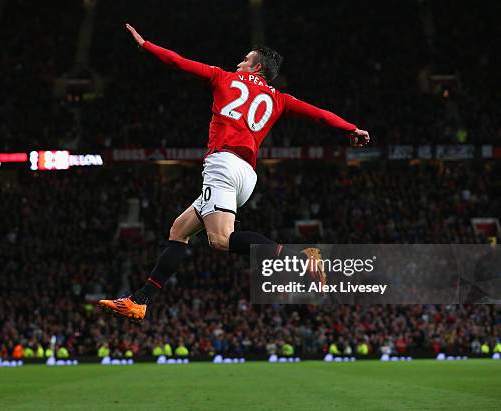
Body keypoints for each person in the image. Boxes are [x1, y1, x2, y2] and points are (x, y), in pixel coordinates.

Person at [98, 24, 370, 321]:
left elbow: (178, 61)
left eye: (245, 59)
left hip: (223, 165)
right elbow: (318, 113)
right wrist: (350, 128)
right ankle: (140, 300)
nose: (239, 62)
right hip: (246, 175)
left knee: (221, 240)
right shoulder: (280, 99)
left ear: (256, 67)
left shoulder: (223, 77)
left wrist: (146, 45)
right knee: (179, 230)